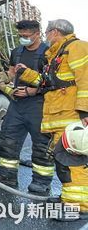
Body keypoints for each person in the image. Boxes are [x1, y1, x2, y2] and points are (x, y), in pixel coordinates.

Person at [17, 19, 88, 219]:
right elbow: (47, 83)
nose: (46, 35)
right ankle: (68, 199)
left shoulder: (77, 47)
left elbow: (86, 78)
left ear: (55, 32)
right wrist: (26, 73)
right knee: (62, 160)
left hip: (72, 116)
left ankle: (80, 206)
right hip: (60, 115)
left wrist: (85, 112)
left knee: (73, 161)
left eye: (47, 32)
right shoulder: (56, 54)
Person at [0, 20, 54, 195]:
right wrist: (5, 84)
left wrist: (30, 91)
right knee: (8, 139)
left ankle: (41, 183)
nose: (23, 39)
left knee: (42, 145)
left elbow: (52, 81)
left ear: (37, 34)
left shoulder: (48, 53)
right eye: (20, 36)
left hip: (39, 105)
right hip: (17, 104)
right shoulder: (16, 52)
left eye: (26, 36)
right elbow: (12, 74)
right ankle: (6, 176)